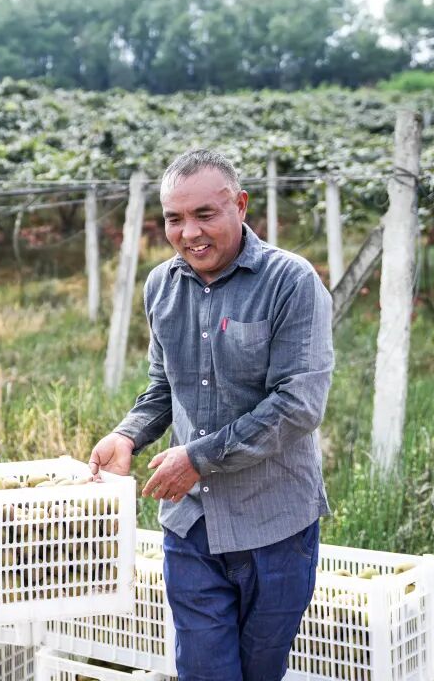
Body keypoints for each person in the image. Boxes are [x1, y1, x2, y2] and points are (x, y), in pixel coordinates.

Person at [88, 149, 334, 681]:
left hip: (275, 524)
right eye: (175, 218)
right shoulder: (161, 286)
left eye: (205, 214)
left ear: (240, 206)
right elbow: (163, 387)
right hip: (190, 524)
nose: (189, 233)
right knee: (204, 670)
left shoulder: (290, 282)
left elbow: (298, 405)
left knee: (260, 670)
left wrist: (199, 458)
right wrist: (127, 436)